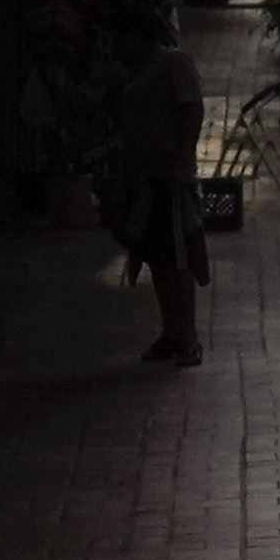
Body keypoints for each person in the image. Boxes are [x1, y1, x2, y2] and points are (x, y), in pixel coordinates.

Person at [103, 32, 208, 366]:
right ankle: (172, 332)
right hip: (145, 177)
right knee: (158, 258)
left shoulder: (173, 63)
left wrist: (181, 160)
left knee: (178, 257)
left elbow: (193, 111)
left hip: (171, 177)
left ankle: (186, 336)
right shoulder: (133, 71)